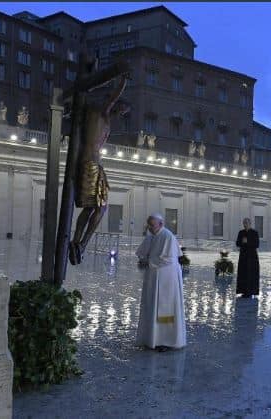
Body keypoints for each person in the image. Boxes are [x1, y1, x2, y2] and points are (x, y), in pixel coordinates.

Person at [69, 72, 130, 265]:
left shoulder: (97, 116)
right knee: (100, 209)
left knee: (90, 209)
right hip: (90, 165)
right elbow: (113, 96)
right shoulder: (101, 113)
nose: (122, 114)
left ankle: (78, 243)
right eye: (122, 110)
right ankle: (81, 244)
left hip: (92, 164)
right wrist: (123, 79)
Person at [135, 213, 186, 351]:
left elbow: (168, 259)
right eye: (149, 225)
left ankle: (166, 340)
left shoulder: (167, 236)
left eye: (152, 225)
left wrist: (148, 262)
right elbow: (141, 251)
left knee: (165, 309)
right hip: (154, 277)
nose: (149, 227)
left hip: (167, 279)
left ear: (161, 224)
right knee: (152, 306)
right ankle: (152, 338)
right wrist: (143, 258)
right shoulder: (152, 236)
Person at [235, 217, 260, 298]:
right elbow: (237, 243)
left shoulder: (254, 233)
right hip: (243, 257)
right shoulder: (241, 232)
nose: (245, 225)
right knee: (243, 274)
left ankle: (252, 291)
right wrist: (242, 242)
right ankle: (243, 291)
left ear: (250, 224)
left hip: (252, 257)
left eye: (246, 223)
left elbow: (256, 244)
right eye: (244, 223)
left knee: (251, 274)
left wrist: (247, 242)